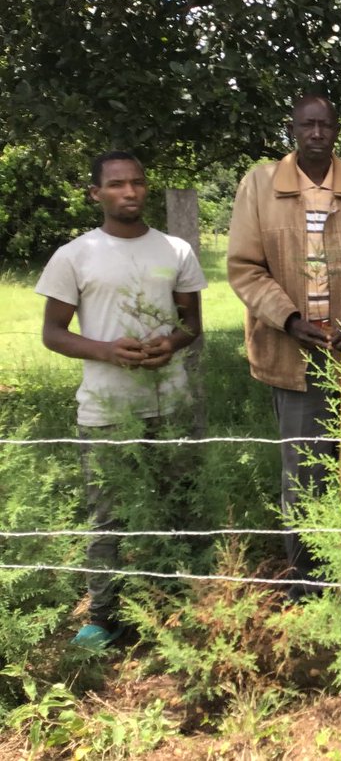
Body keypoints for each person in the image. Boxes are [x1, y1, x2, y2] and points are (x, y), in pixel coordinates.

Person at [227, 95, 341, 599]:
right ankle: (308, 583)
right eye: (308, 123)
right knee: (304, 472)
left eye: (326, 124)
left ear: (337, 131)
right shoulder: (259, 185)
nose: (317, 132)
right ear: (293, 129)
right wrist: (288, 318)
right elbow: (244, 267)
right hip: (293, 354)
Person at [37, 150, 206, 647]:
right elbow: (53, 333)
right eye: (115, 185)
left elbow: (191, 325)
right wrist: (108, 351)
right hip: (106, 409)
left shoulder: (175, 251)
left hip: (169, 402)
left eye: (136, 182)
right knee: (107, 516)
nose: (128, 192)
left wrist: (169, 344)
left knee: (176, 506)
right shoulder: (75, 255)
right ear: (96, 194)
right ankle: (102, 616)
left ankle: (171, 603)